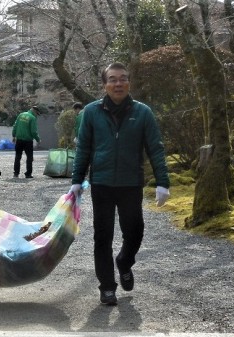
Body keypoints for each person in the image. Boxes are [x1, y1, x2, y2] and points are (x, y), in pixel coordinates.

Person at [70, 62, 170, 305]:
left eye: (123, 78)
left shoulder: (142, 112)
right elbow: (83, 148)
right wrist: (77, 180)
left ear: (129, 83)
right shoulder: (92, 112)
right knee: (102, 236)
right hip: (102, 183)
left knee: (134, 231)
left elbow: (155, 148)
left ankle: (124, 261)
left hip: (131, 182)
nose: (118, 83)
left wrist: (163, 182)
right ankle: (106, 287)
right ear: (104, 84)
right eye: (113, 79)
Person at [12, 105, 41, 178]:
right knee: (29, 158)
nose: (37, 115)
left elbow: (15, 126)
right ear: (35, 111)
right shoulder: (32, 118)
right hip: (28, 141)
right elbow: (33, 131)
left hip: (19, 140)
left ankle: (16, 173)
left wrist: (14, 135)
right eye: (37, 113)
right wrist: (38, 139)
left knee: (18, 157)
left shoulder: (21, 115)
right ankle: (28, 174)